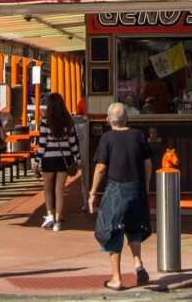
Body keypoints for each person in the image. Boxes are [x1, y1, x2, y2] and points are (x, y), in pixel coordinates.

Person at [88, 101, 152, 290]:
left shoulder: (107, 138)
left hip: (116, 189)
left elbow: (100, 168)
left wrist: (92, 192)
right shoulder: (138, 136)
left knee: (113, 230)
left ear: (108, 119)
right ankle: (138, 263)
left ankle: (116, 279)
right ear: (127, 118)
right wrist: (145, 188)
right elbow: (148, 164)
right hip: (136, 188)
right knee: (134, 228)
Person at [35, 91, 81, 231]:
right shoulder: (68, 121)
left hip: (48, 158)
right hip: (64, 159)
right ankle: (57, 221)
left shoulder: (45, 121)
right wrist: (78, 159)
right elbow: (73, 143)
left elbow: (42, 143)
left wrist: (37, 161)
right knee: (59, 190)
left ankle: (49, 214)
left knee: (47, 188)